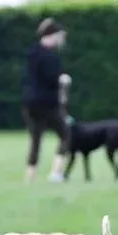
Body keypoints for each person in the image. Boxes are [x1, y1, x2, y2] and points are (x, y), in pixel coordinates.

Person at [21, 18, 72, 184]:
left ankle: (29, 177)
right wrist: (62, 80)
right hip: (47, 104)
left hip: (30, 103)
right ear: (52, 35)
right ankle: (55, 173)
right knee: (65, 135)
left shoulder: (32, 53)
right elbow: (51, 79)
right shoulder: (50, 57)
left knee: (35, 140)